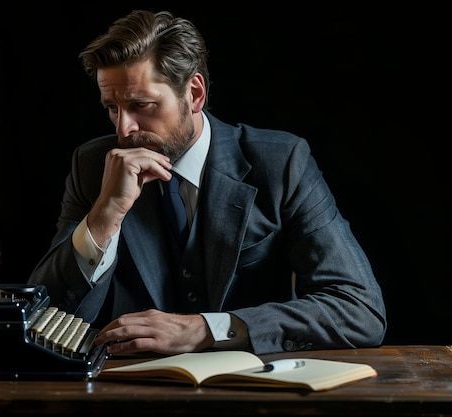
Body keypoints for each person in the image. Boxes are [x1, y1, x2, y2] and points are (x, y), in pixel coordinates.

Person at [27, 9, 386, 356]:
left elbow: (358, 309)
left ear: (195, 94)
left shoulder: (281, 163)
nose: (124, 129)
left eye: (142, 105)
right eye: (112, 107)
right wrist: (104, 217)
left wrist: (206, 329)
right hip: (127, 392)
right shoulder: (93, 167)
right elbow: (39, 318)